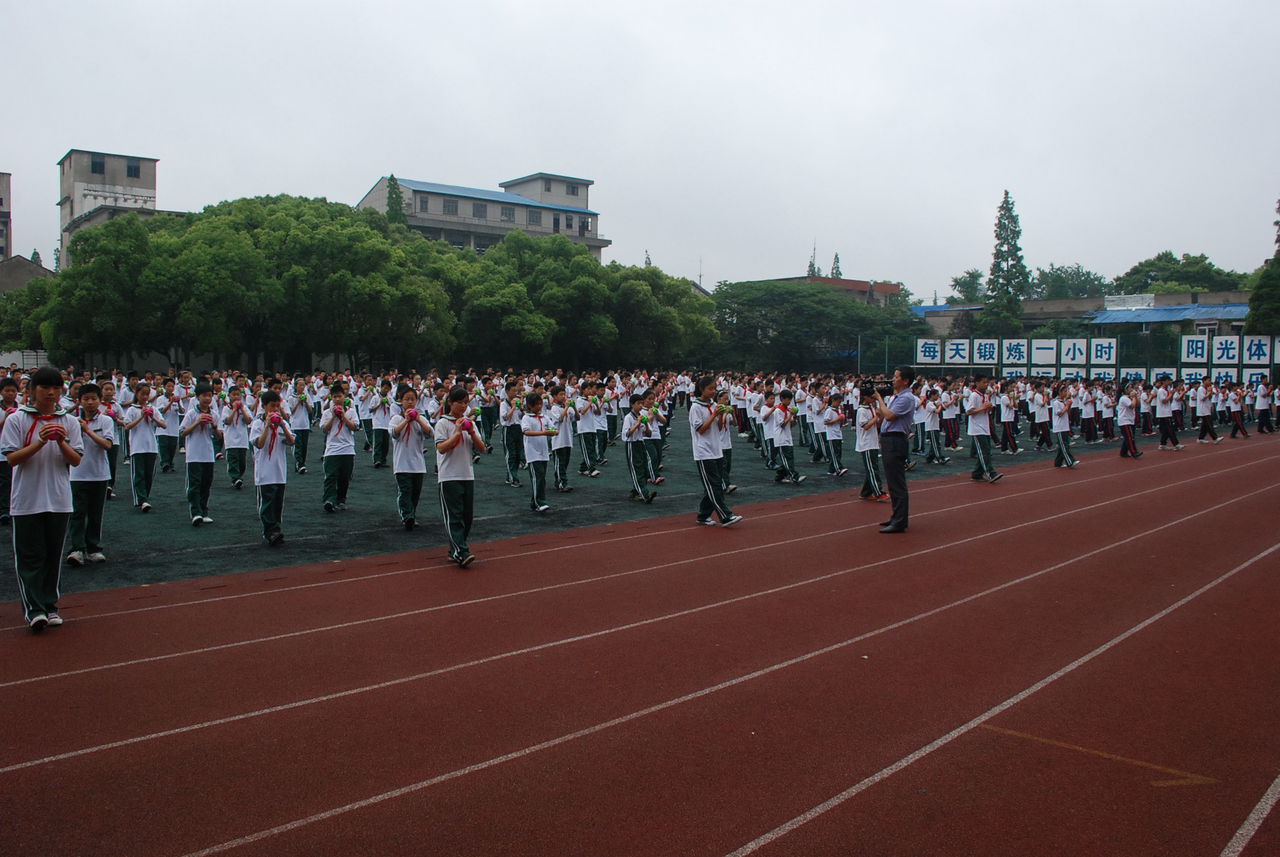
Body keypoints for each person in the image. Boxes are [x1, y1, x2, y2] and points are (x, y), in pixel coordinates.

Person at [1, 366, 84, 631]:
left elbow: (76, 459)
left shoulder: (68, 421)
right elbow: (12, 459)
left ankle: (50, 605)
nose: (51, 393)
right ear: (31, 390)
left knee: (51, 555)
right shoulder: (18, 419)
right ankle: (34, 609)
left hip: (58, 499)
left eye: (56, 388)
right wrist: (39, 441)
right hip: (26, 500)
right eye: (44, 388)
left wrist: (60, 442)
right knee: (29, 556)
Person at [434, 385, 486, 567]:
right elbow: (441, 448)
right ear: (450, 403)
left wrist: (471, 431)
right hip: (449, 476)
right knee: (454, 516)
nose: (463, 406)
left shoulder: (469, 423)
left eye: (466, 403)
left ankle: (454, 549)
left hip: (466, 474)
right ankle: (461, 551)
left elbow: (481, 448)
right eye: (459, 402)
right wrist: (457, 432)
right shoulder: (442, 423)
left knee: (467, 517)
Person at [67, 382, 113, 566]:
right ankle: (77, 548)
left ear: (100, 401)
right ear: (79, 402)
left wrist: (87, 431)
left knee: (95, 513)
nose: (90, 403)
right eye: (86, 399)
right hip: (77, 474)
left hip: (99, 474)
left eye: (94, 399)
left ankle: (93, 547)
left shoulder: (106, 421)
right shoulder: (71, 421)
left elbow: (107, 445)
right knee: (77, 512)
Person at [689, 376, 742, 527]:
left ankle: (703, 515)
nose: (713, 392)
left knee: (716, 485)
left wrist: (721, 414)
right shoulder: (696, 407)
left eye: (714, 388)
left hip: (716, 448)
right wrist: (714, 415)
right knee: (713, 485)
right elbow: (700, 429)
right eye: (710, 389)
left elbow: (718, 428)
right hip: (703, 451)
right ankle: (726, 515)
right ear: (701, 389)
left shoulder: (713, 404)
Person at [873, 367, 915, 532]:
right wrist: (880, 405)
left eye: (896, 377)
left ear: (905, 380)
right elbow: (884, 415)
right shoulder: (897, 397)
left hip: (896, 440)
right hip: (889, 439)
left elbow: (890, 416)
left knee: (897, 483)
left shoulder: (906, 398)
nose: (893, 379)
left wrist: (879, 399)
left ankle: (899, 521)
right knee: (892, 482)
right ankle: (896, 517)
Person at [250, 390, 295, 546]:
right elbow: (260, 444)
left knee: (278, 502)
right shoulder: (257, 423)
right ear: (264, 407)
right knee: (267, 502)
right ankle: (269, 531)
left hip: (279, 469)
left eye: (277, 406)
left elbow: (291, 442)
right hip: (264, 470)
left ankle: (276, 528)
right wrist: (268, 426)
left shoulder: (283, 424)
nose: (275, 409)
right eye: (272, 406)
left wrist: (283, 425)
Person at [389, 384, 431, 530]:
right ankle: (407, 516)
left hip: (418, 463)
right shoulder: (396, 418)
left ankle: (412, 514)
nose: (410, 402)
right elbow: (394, 433)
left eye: (413, 399)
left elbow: (430, 433)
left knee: (415, 492)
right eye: (407, 399)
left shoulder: (421, 419)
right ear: (401, 401)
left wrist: (418, 420)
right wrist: (406, 420)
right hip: (402, 463)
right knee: (405, 491)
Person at [180, 382, 222, 526]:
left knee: (206, 484)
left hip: (208, 454)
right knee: (194, 484)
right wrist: (197, 422)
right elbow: (183, 432)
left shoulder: (214, 414)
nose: (207, 398)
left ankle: (204, 511)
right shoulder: (192, 413)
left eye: (210, 396)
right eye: (204, 395)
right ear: (198, 397)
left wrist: (214, 426)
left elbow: (219, 437)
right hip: (194, 455)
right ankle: (196, 512)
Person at [122, 382, 164, 512]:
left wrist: (152, 416)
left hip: (151, 446)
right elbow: (127, 426)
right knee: (139, 474)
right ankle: (141, 500)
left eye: (147, 394)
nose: (145, 397)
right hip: (137, 447)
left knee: (149, 474)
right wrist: (141, 416)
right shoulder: (132, 410)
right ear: (137, 394)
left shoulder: (153, 409)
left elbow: (164, 425)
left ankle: (145, 496)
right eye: (142, 394)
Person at [320, 382, 359, 512]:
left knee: (344, 476)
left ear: (345, 396)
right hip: (332, 449)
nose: (337, 399)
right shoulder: (326, 413)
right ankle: (329, 500)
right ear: (331, 398)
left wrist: (343, 416)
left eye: (340, 396)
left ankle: (341, 499)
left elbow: (355, 427)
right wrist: (333, 417)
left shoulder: (351, 411)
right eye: (335, 397)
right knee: (331, 476)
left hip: (347, 448)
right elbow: (325, 429)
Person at [520, 392, 557, 512]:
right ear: (529, 406)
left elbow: (553, 428)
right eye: (536, 405)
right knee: (537, 477)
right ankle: (539, 502)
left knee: (542, 477)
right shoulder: (526, 417)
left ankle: (536, 501)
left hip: (543, 451)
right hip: (532, 452)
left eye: (540, 404)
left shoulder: (544, 417)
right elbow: (526, 432)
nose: (539, 407)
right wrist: (544, 433)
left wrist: (553, 431)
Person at [966, 375, 1003, 484]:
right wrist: (983, 408)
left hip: (985, 426)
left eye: (987, 382)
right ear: (977, 383)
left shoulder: (985, 395)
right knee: (984, 451)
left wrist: (989, 408)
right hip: (977, 428)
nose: (986, 384)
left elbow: (985, 410)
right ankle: (990, 472)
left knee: (986, 451)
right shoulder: (974, 396)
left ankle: (977, 473)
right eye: (983, 382)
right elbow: (969, 412)